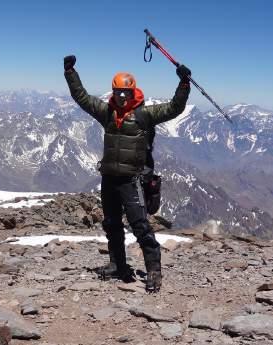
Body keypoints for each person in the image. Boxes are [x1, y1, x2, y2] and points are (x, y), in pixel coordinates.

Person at [63, 55, 191, 292]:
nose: (122, 98)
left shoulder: (146, 115)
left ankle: (154, 271)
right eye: (118, 93)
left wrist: (184, 84)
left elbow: (175, 107)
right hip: (109, 179)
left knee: (140, 226)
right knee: (111, 224)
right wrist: (70, 72)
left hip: (131, 181)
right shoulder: (107, 112)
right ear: (113, 92)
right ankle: (118, 265)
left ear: (133, 92)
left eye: (126, 93)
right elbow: (81, 97)